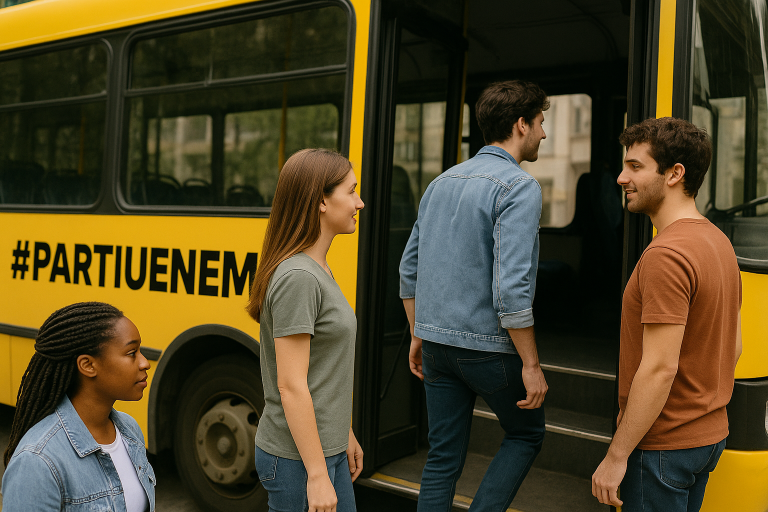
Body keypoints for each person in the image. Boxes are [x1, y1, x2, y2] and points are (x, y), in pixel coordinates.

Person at [399, 80, 550, 511]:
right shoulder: (519, 187)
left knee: (442, 457)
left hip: (436, 347)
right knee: (525, 434)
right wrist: (531, 365)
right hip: (489, 350)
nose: (543, 133)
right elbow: (512, 289)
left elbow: (408, 270)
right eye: (540, 123)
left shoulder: (439, 183)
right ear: (521, 125)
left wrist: (418, 333)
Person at [591, 117, 741, 511]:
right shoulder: (719, 242)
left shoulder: (666, 255)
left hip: (663, 446)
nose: (621, 178)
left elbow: (659, 368)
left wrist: (616, 455)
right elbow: (735, 346)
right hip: (707, 437)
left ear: (675, 174)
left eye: (635, 166)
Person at [246, 148, 365, 512]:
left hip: (324, 449)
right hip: (297, 461)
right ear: (321, 202)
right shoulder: (299, 276)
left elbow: (322, 371)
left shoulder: (317, 267)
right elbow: (292, 386)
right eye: (351, 191)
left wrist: (343, 432)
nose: (359, 203)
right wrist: (316, 474)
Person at [1, 302, 155, 512]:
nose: (145, 363)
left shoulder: (130, 430)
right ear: (88, 365)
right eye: (131, 353)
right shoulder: (37, 461)